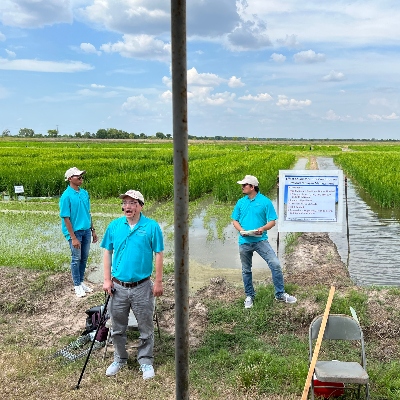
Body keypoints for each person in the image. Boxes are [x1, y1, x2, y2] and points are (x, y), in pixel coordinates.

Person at [101, 189, 164, 380]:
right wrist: (106, 279)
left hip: (142, 286)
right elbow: (107, 252)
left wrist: (159, 281)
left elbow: (159, 254)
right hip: (118, 287)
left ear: (140, 206)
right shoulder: (114, 226)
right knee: (118, 327)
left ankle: (145, 361)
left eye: (132, 203)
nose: (127, 206)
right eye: (125, 203)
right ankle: (119, 358)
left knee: (145, 327)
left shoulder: (152, 227)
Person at [231, 175, 297, 309]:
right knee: (246, 270)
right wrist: (242, 230)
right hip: (244, 241)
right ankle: (249, 295)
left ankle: (280, 294)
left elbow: (272, 221)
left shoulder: (265, 202)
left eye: (245, 185)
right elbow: (235, 220)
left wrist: (263, 228)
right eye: (242, 185)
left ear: (252, 187)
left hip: (260, 240)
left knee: (275, 264)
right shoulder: (240, 202)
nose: (242, 187)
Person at [59, 167, 98, 298]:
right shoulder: (66, 196)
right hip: (75, 232)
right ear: (70, 179)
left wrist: (93, 230)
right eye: (78, 176)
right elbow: (66, 218)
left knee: (84, 258)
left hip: (86, 230)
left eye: (81, 176)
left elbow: (88, 213)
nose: (81, 178)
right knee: (76, 258)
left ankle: (81, 282)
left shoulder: (84, 193)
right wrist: (73, 237)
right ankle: (76, 285)